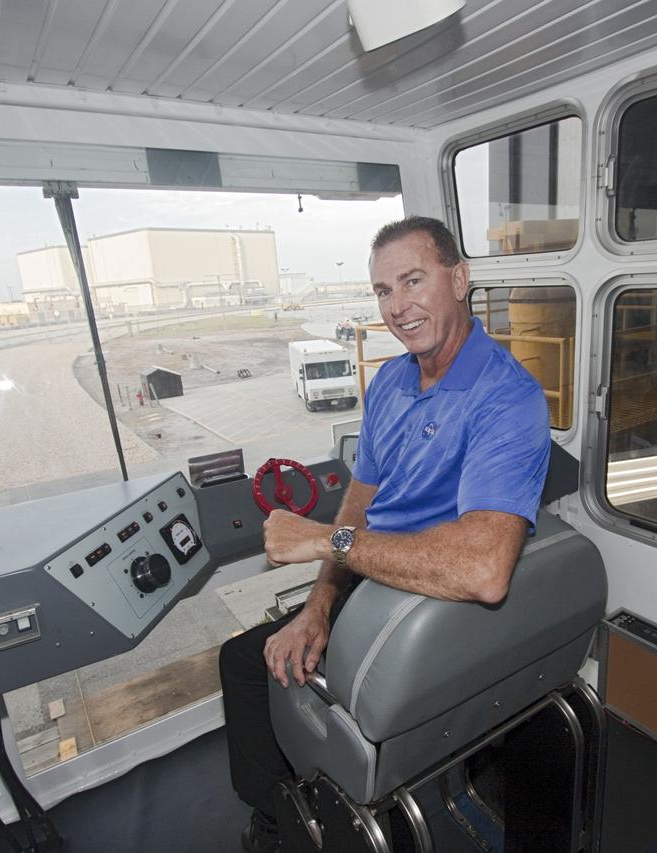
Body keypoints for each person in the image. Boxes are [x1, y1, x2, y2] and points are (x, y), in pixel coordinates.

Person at [220, 216, 551, 853]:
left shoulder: (506, 398)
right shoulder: (393, 384)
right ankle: (286, 816)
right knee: (255, 649)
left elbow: (483, 571)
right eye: (381, 291)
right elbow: (359, 506)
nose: (397, 307)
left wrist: (324, 543)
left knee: (243, 665)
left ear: (459, 279)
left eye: (412, 280)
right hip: (372, 580)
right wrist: (318, 605)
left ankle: (282, 830)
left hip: (425, 605)